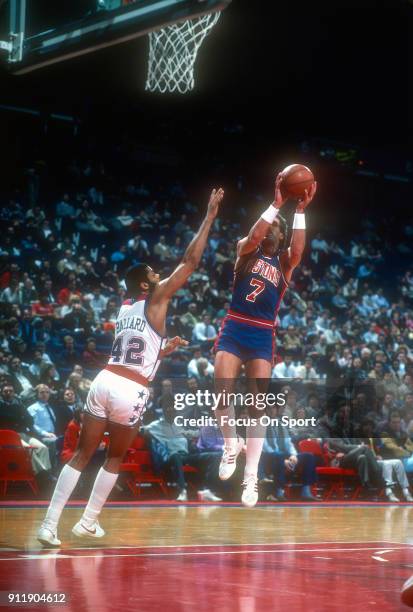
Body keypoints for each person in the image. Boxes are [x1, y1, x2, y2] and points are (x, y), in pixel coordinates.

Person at [37, 187, 224, 547]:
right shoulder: (156, 296)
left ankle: (49, 524)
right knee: (116, 455)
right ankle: (88, 521)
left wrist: (163, 350)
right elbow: (190, 263)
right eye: (154, 274)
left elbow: (137, 350)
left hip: (105, 379)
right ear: (145, 284)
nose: (159, 275)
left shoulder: (125, 309)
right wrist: (209, 216)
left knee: (82, 453)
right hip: (130, 388)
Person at [214, 173, 317, 506]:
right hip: (235, 326)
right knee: (221, 392)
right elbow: (255, 232)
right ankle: (231, 445)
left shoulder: (284, 262)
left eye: (276, 228)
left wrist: (300, 209)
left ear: (281, 234)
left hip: (262, 333)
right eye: (268, 226)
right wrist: (276, 204)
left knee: (257, 406)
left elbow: (299, 249)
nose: (269, 230)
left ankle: (251, 477)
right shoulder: (244, 251)